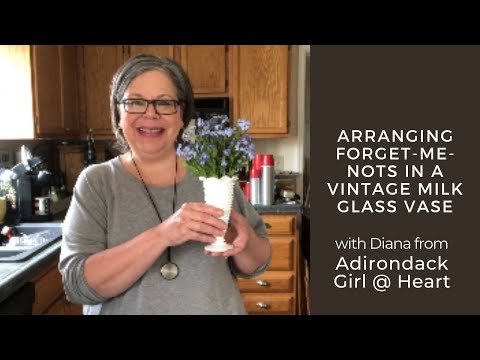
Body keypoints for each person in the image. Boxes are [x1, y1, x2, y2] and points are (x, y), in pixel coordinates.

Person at [59, 54, 272, 315]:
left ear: (182, 114)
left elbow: (257, 263)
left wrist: (245, 240)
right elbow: (77, 286)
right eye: (135, 102)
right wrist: (163, 234)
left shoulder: (214, 173)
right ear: (118, 111)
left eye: (164, 102)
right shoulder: (97, 182)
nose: (151, 114)